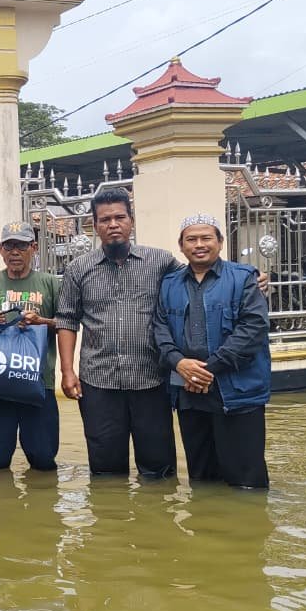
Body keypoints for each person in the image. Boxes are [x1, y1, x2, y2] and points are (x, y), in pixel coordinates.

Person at [55, 188, 179, 480]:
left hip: (150, 378)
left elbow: (199, 276)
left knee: (158, 468)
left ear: (131, 221)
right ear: (95, 225)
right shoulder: (78, 269)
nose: (113, 224)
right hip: (98, 382)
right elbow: (67, 319)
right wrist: (67, 372)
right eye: (105, 219)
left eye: (119, 217)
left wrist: (248, 277)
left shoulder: (161, 262)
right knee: (105, 470)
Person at [152, 214, 271, 489]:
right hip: (188, 393)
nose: (199, 245)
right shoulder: (169, 284)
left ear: (220, 242)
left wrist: (206, 370)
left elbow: (253, 328)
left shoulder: (244, 278)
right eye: (191, 239)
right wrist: (179, 363)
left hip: (237, 392)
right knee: (201, 478)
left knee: (246, 481)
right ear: (181, 246)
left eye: (206, 238)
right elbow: (160, 328)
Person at [0, 222, 62, 472]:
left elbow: (66, 323)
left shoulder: (51, 284)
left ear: (34, 248)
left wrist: (41, 321)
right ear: (0, 249)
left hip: (38, 381)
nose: (15, 252)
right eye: (9, 246)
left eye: (21, 246)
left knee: (43, 460)